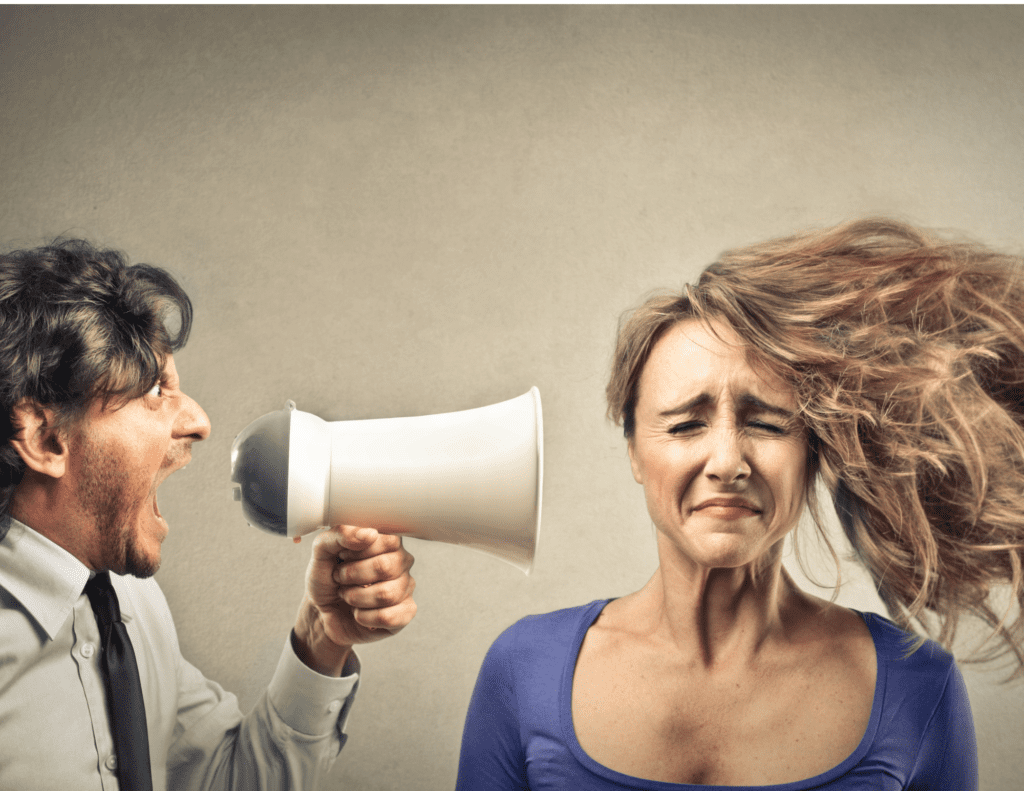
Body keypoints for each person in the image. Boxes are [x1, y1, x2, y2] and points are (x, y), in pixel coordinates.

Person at [457, 218, 1024, 790]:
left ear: (813, 452)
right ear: (634, 451)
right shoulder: (525, 669)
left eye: (767, 422)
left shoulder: (917, 685)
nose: (727, 461)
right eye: (684, 425)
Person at [0, 239, 417, 790]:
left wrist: (322, 636)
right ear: (47, 438)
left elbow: (230, 779)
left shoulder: (130, 604)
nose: (199, 421)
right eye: (154, 389)